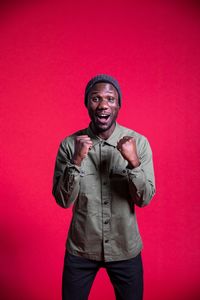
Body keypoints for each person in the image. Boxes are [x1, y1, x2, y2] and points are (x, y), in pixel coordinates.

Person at [52, 74, 155, 300]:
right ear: (87, 103)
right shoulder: (70, 145)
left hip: (124, 247)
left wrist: (134, 163)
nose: (103, 105)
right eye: (95, 98)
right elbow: (62, 200)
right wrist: (76, 161)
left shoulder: (140, 143)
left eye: (110, 98)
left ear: (119, 105)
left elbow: (144, 199)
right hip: (81, 248)